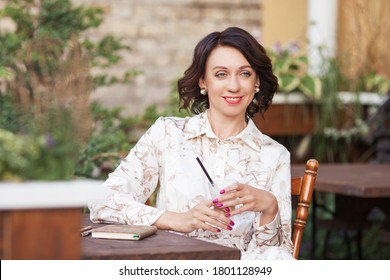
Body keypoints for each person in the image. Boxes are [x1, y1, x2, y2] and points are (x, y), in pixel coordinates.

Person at [89, 26, 294, 260]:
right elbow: (102, 201)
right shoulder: (168, 133)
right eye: (221, 74)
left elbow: (277, 257)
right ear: (202, 82)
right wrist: (178, 220)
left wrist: (269, 207)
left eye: (245, 73)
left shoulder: (275, 155)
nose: (234, 86)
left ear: (257, 81)